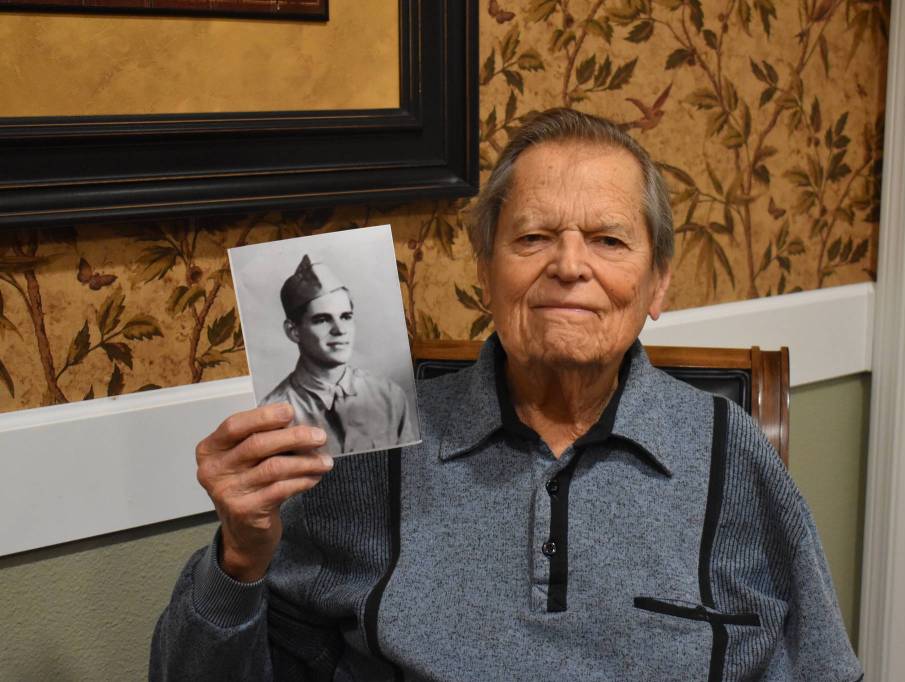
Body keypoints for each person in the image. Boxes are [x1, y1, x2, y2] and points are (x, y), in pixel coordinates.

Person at [151, 108, 863, 681]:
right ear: (486, 274)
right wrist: (240, 557)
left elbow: (818, 666)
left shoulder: (729, 451)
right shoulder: (371, 445)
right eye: (534, 237)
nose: (569, 266)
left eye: (609, 240)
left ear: (658, 284)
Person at [261, 254, 412, 455]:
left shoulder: (389, 396)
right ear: (293, 331)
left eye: (346, 317)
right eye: (322, 319)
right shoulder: (273, 414)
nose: (340, 330)